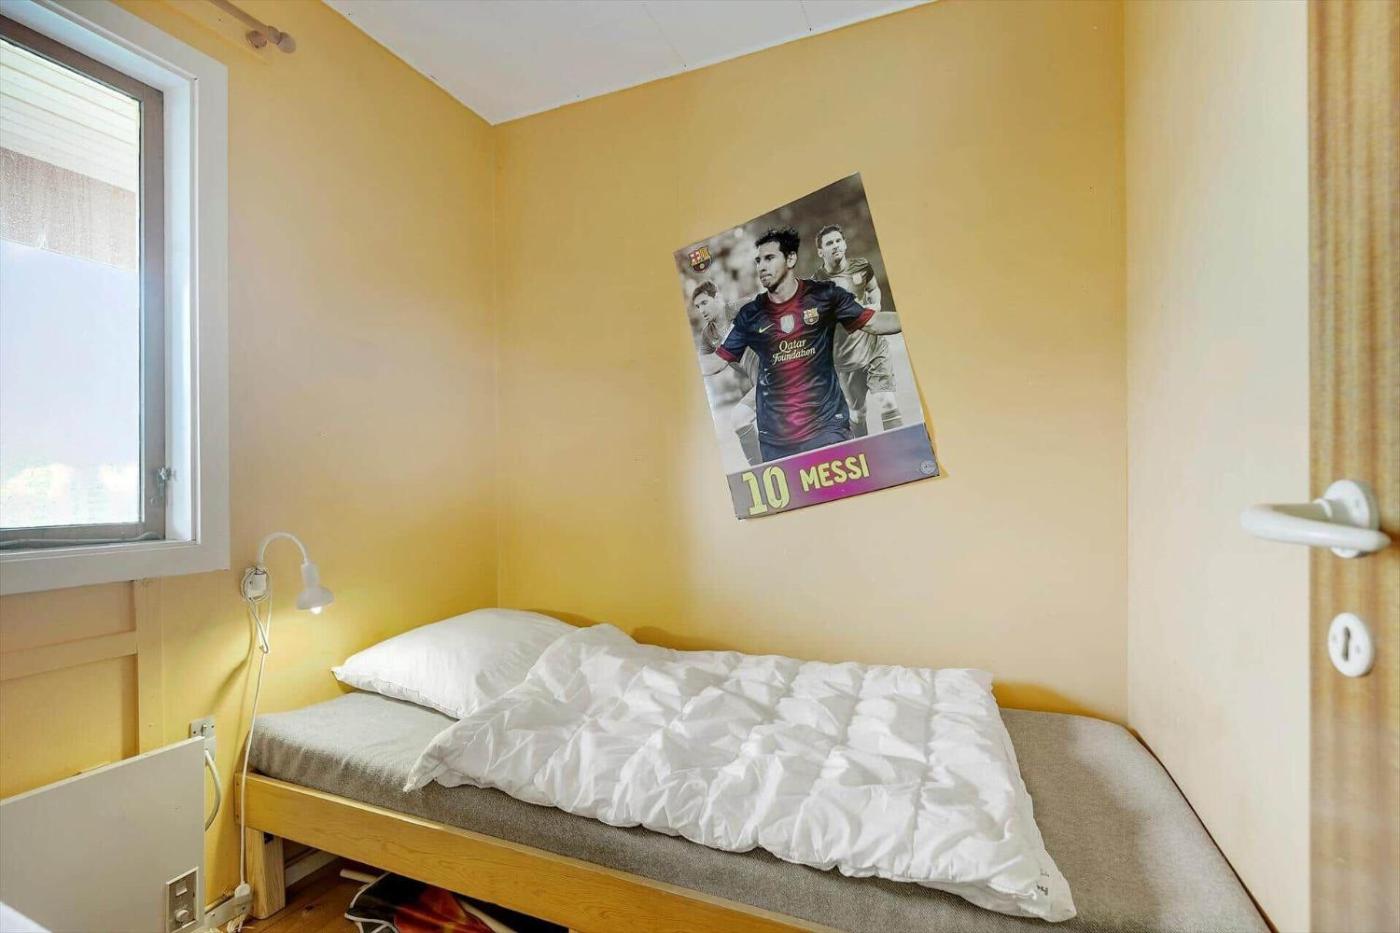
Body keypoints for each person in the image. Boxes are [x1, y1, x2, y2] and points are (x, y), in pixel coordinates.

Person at [716, 227, 900, 462]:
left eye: (769, 258)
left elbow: (873, 320)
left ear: (791, 258)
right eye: (758, 261)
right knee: (858, 413)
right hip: (783, 424)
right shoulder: (749, 312)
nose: (761, 266)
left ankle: (898, 456)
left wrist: (906, 314)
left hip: (831, 414)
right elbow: (717, 360)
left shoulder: (825, 292)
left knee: (885, 403)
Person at [811, 224, 902, 437]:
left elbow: (873, 288)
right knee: (858, 414)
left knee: (887, 402)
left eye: (838, 241)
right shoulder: (816, 285)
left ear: (844, 244)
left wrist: (875, 305)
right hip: (845, 358)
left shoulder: (862, 266)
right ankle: (864, 449)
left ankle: (900, 451)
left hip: (874, 346)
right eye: (829, 243)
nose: (835, 246)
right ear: (820, 252)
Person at [691, 282, 762, 466]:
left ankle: (761, 469)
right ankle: (762, 469)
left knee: (740, 417)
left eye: (704, 303)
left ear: (717, 297)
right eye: (698, 306)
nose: (701, 310)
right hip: (760, 383)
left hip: (777, 373)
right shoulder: (708, 335)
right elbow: (702, 365)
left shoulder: (742, 308)